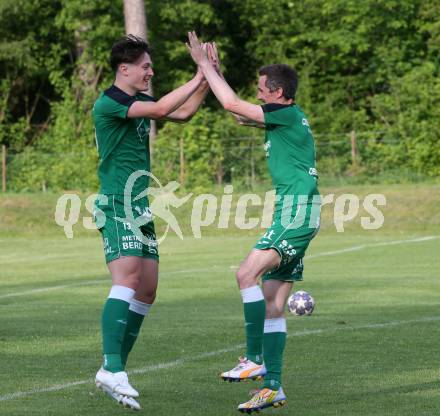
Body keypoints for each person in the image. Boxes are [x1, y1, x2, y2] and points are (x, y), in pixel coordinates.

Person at [187, 32, 321, 413]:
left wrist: (204, 67)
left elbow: (231, 101)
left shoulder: (287, 113)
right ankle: (272, 387)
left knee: (246, 274)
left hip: (296, 211)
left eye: (262, 89)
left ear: (278, 92)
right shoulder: (284, 117)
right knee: (273, 305)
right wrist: (216, 71)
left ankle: (252, 357)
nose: (258, 93)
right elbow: (234, 110)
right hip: (297, 211)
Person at [92, 34, 210, 410]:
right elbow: (161, 109)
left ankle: (115, 370)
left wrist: (208, 76)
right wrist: (200, 72)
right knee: (126, 279)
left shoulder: (138, 101)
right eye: (145, 66)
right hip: (116, 202)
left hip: (139, 205)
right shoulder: (111, 102)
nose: (150, 71)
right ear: (123, 69)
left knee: (147, 291)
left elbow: (183, 112)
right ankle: (112, 368)